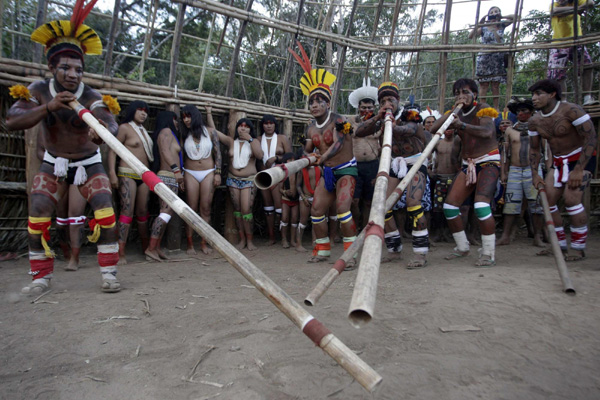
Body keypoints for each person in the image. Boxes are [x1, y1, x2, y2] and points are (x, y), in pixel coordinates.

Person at [6, 1, 121, 294]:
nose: (73, 74)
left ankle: (109, 273)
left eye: (79, 69)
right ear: (51, 67)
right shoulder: (38, 91)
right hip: (53, 161)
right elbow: (13, 120)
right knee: (38, 211)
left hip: (88, 161)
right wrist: (48, 107)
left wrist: (102, 132)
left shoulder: (91, 94)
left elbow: (108, 119)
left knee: (105, 210)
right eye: (66, 68)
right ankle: (40, 278)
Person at [289, 42, 357, 264]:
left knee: (342, 209)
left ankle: (350, 254)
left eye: (319, 101)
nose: (314, 105)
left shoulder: (338, 119)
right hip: (327, 173)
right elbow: (308, 149)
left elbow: (337, 144)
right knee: (316, 210)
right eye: (311, 102)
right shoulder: (310, 127)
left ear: (328, 103)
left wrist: (321, 158)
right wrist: (304, 158)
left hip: (345, 170)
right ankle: (324, 250)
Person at [356, 86, 431, 269]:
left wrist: (390, 123)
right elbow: (359, 132)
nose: (387, 104)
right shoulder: (380, 119)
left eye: (390, 100)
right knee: (382, 205)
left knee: (414, 203)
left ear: (398, 101)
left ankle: (420, 253)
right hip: (394, 164)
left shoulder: (410, 116)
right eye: (383, 102)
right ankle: (394, 248)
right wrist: (378, 117)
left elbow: (410, 131)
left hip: (415, 163)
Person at [430, 78, 500, 267]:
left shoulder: (483, 109)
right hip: (467, 164)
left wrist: (461, 125)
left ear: (475, 94)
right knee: (450, 207)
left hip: (488, 162)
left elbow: (487, 132)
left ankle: (488, 252)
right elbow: (433, 128)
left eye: (466, 92)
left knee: (481, 206)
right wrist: (453, 113)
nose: (461, 96)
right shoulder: (456, 113)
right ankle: (462, 247)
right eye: (457, 93)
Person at [528, 79, 597, 261]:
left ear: (552, 94)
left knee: (572, 200)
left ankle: (578, 247)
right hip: (558, 162)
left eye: (539, 94)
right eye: (533, 95)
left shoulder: (571, 111)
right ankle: (558, 246)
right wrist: (535, 174)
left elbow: (590, 138)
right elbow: (534, 149)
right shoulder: (534, 121)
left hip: (581, 158)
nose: (534, 98)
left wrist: (579, 169)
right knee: (548, 202)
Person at [108, 101, 153, 264]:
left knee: (142, 212)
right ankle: (121, 253)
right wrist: (112, 173)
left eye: (146, 111)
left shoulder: (144, 132)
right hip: (127, 173)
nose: (143, 114)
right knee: (127, 211)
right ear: (133, 111)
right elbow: (113, 149)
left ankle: (146, 248)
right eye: (140, 110)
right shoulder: (125, 128)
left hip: (144, 176)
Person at [497, 98, 545, 247]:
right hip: (515, 170)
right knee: (510, 205)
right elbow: (505, 154)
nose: (521, 114)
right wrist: (504, 172)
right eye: (518, 111)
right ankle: (505, 236)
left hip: (533, 171)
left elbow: (546, 150)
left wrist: (547, 169)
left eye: (524, 110)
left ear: (531, 112)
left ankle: (538, 236)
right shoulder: (510, 131)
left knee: (536, 205)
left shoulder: (538, 128)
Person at [181, 105, 222, 255]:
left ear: (195, 116)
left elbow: (218, 154)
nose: (186, 120)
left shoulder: (210, 132)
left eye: (188, 116)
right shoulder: (184, 133)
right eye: (183, 117)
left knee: (205, 207)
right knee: (191, 207)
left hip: (208, 172)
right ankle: (190, 244)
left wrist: (218, 173)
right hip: (190, 172)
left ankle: (204, 243)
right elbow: (180, 155)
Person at [217, 118, 263, 251]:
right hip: (233, 179)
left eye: (246, 126)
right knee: (237, 210)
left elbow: (259, 155)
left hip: (248, 180)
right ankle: (242, 239)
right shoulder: (232, 142)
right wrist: (208, 113)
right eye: (240, 126)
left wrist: (250, 139)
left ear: (250, 129)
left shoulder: (254, 142)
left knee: (246, 210)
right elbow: (216, 133)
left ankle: (250, 240)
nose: (243, 128)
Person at [145, 111, 184, 262]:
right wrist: (176, 169)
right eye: (175, 119)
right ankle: (151, 248)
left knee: (167, 214)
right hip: (167, 176)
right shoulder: (166, 132)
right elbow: (164, 151)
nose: (176, 123)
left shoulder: (168, 134)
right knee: (165, 213)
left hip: (171, 177)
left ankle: (156, 247)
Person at [548, 0, 598, 106]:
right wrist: (577, 10)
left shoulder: (576, 1)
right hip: (559, 43)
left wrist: (576, 7)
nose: (560, 1)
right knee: (558, 73)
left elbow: (591, 2)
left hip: (576, 41)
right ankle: (563, 101)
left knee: (587, 66)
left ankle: (587, 97)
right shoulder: (554, 4)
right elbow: (555, 11)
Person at [348, 78, 381, 229]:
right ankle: (355, 227)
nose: (366, 110)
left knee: (369, 200)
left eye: (369, 108)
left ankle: (365, 228)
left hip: (373, 165)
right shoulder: (351, 122)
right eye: (364, 107)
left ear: (374, 108)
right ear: (358, 107)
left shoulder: (380, 123)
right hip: (354, 165)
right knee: (354, 200)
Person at [469, 6, 515, 110]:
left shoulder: (502, 25)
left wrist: (502, 16)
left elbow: (516, 17)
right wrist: (481, 22)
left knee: (495, 85)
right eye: (492, 12)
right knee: (484, 85)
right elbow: (471, 36)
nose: (494, 14)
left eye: (497, 12)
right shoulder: (484, 28)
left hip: (497, 59)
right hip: (484, 59)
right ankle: (483, 107)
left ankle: (496, 108)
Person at [257, 114, 292, 245]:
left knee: (279, 207)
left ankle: (283, 237)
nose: (269, 125)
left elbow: (289, 157)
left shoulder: (282, 138)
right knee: (268, 208)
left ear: (275, 125)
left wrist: (276, 158)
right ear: (262, 125)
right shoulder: (259, 139)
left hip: (278, 176)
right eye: (266, 123)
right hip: (263, 176)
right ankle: (271, 237)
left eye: (271, 123)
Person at [430, 126, 460, 243]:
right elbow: (425, 155)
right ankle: (438, 232)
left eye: (451, 128)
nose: (448, 131)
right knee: (438, 208)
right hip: (440, 178)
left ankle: (449, 232)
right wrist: (430, 172)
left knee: (452, 206)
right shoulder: (438, 143)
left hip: (455, 177)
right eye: (446, 129)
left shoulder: (458, 142)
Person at [279, 152, 300, 248]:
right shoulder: (283, 172)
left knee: (295, 219)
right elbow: (280, 188)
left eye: (293, 160)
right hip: (285, 198)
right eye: (289, 160)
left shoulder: (298, 172)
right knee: (285, 218)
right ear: (285, 161)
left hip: (295, 199)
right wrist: (285, 192)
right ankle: (284, 240)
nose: (292, 162)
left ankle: (292, 240)